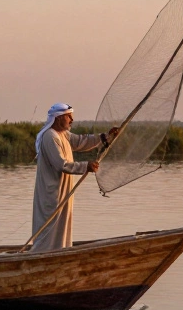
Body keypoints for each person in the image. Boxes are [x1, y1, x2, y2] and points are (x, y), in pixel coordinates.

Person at [31, 103, 118, 252]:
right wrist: (85, 166)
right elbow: (61, 164)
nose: (72, 119)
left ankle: (60, 252)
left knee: (62, 226)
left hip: (62, 190)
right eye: (68, 116)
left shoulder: (62, 134)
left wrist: (105, 138)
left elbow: (80, 141)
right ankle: (44, 253)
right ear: (58, 118)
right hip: (52, 194)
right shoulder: (50, 136)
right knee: (49, 226)